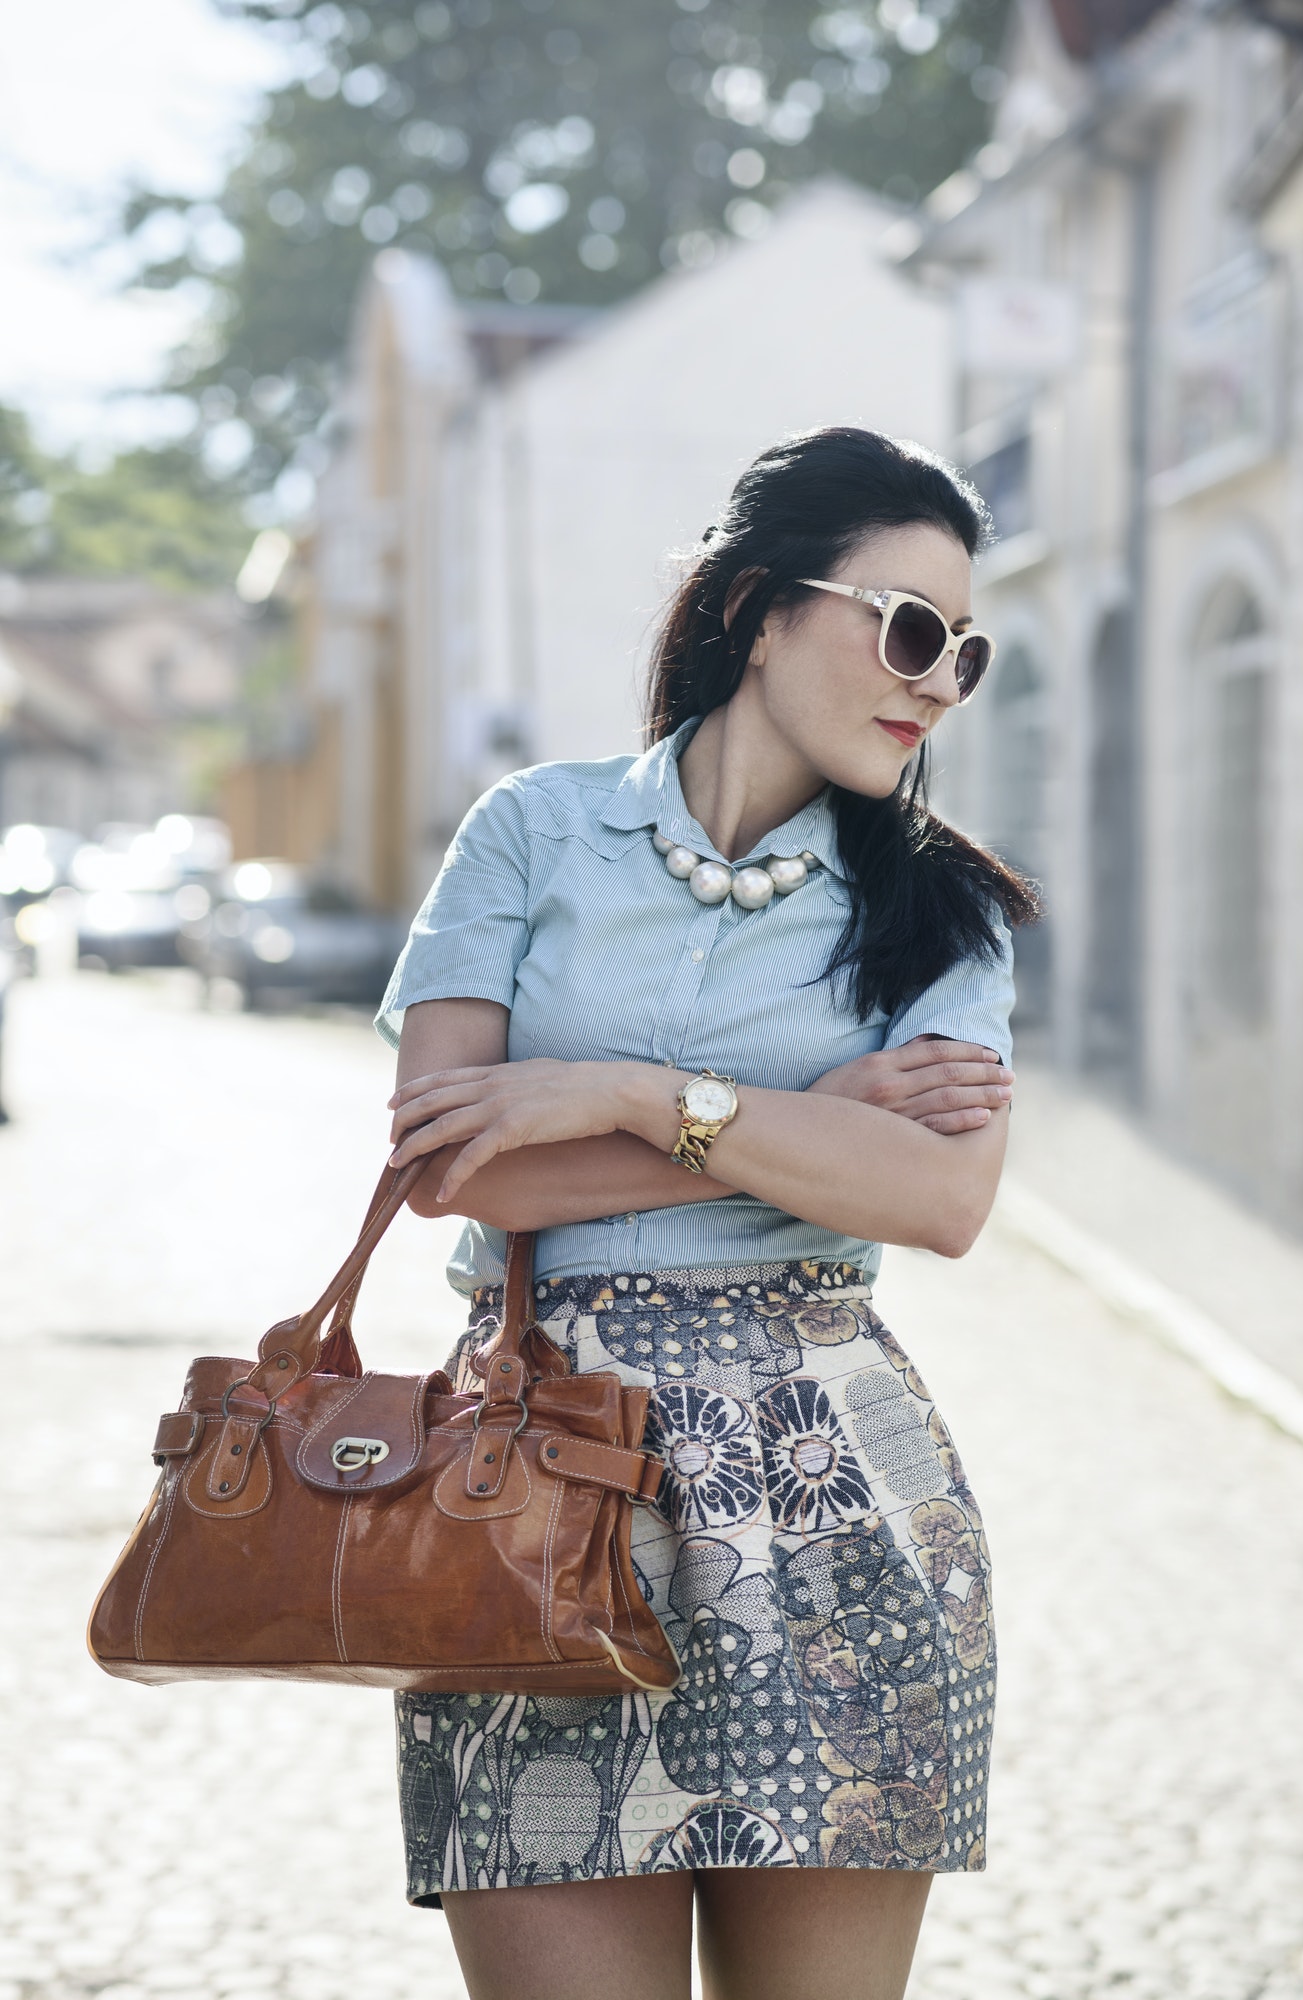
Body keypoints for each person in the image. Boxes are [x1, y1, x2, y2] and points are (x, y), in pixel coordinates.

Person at [376, 426, 1039, 2000]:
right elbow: (441, 1167)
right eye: (909, 629)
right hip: (529, 1486)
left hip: (838, 1502)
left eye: (968, 652)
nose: (939, 680)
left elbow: (940, 1196)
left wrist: (615, 1095)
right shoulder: (534, 832)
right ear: (757, 607)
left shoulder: (942, 911)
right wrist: (796, 1134)